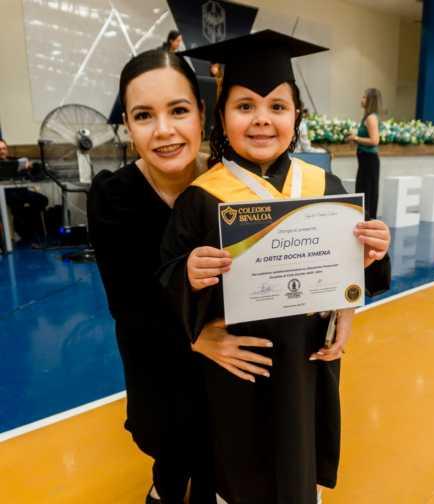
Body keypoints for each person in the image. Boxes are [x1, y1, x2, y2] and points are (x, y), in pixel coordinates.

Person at [159, 31, 391, 504]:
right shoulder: (200, 199)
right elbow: (166, 281)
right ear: (222, 116)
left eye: (278, 107)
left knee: (299, 466)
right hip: (238, 371)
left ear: (296, 116)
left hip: (306, 363)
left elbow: (354, 274)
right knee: (239, 472)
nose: (262, 119)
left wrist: (374, 252)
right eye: (245, 106)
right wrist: (188, 274)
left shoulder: (325, 186)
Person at [87, 48, 273, 504]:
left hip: (227, 361)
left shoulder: (233, 186)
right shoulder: (113, 197)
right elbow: (127, 303)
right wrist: (196, 337)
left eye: (178, 110)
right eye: (144, 115)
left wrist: (343, 298)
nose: (164, 130)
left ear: (202, 113)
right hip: (158, 356)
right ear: (127, 125)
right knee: (171, 454)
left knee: (218, 459)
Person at [0, 139, 48, 245]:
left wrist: (29, 167)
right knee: (17, 204)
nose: (2, 151)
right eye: (0, 149)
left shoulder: (15, 161)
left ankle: (29, 227)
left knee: (43, 200)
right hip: (6, 194)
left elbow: (30, 176)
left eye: (4, 148)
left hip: (22, 192)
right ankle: (25, 230)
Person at [346, 88, 382, 219]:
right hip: (364, 160)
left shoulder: (371, 118)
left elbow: (374, 140)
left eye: (364, 97)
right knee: (363, 191)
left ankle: (368, 220)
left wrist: (355, 138)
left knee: (368, 192)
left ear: (370, 100)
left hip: (369, 161)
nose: (361, 99)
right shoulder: (367, 118)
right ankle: (364, 219)